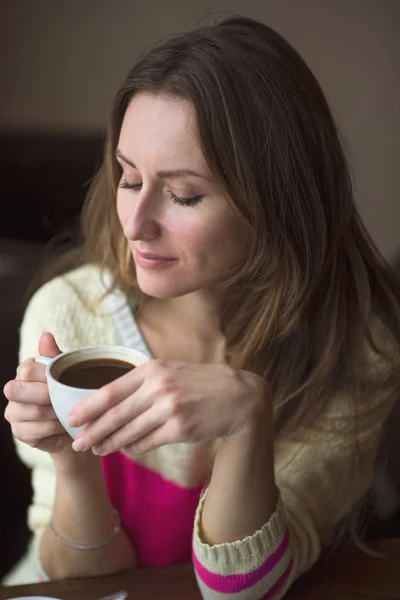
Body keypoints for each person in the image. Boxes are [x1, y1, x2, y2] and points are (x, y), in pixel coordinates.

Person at [3, 13, 400, 599]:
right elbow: (78, 583)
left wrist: (247, 422)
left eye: (184, 195)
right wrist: (70, 460)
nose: (136, 226)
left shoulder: (354, 354)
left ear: (276, 199)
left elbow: (241, 592)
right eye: (129, 178)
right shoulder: (68, 315)